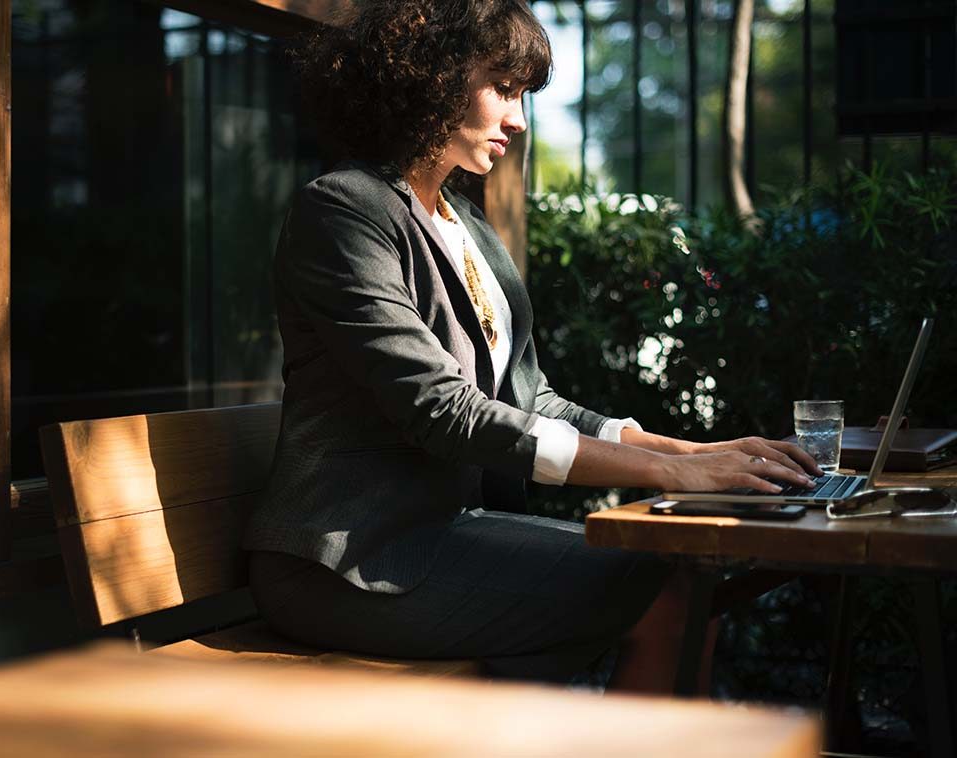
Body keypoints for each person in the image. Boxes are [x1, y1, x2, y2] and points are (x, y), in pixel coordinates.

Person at [243, 0, 820, 692]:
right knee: (662, 588)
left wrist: (692, 455)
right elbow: (443, 410)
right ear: (433, 75)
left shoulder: (469, 226)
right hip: (346, 564)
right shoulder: (344, 211)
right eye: (504, 88)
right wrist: (673, 478)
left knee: (677, 572)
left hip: (443, 537)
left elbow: (530, 397)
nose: (518, 119)